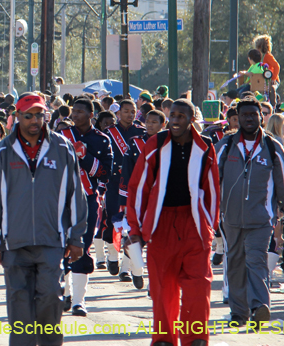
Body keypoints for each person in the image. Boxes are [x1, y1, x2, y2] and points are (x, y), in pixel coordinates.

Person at [0, 92, 87, 346]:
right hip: (14, 243)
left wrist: (76, 237)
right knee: (19, 307)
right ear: (17, 116)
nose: (34, 120)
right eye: (28, 115)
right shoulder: (3, 151)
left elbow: (76, 194)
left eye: (39, 114)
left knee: (51, 298)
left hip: (52, 240)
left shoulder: (62, 148)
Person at [127, 99, 220, 346]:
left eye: (182, 116)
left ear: (191, 119)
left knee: (199, 286)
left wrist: (210, 225)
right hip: (161, 225)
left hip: (194, 224)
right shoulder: (155, 144)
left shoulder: (206, 147)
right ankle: (164, 339)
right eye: (173, 116)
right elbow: (139, 187)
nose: (176, 120)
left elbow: (212, 190)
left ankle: (196, 338)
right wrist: (135, 229)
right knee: (162, 286)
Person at [217, 97, 284, 327]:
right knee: (235, 264)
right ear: (237, 118)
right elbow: (210, 180)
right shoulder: (226, 145)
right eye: (245, 115)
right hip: (230, 219)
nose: (249, 118)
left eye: (254, 114)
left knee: (256, 261)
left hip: (261, 219)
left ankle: (259, 306)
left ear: (262, 117)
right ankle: (238, 314)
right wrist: (210, 213)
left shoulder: (272, 146)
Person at [57, 97, 113, 315]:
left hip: (88, 199)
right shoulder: (61, 137)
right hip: (60, 198)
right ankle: (67, 294)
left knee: (82, 245)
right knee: (61, 245)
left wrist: (85, 156)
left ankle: (79, 301)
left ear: (91, 115)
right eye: (74, 111)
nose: (75, 115)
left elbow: (105, 172)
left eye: (80, 111)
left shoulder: (102, 140)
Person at [100, 99, 145, 283]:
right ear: (119, 114)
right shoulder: (109, 133)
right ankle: (112, 255)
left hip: (134, 185)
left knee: (132, 227)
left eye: (132, 111)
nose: (130, 115)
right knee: (112, 220)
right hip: (113, 183)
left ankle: (126, 269)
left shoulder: (141, 133)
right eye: (126, 111)